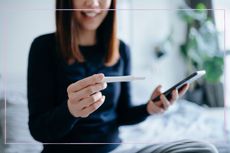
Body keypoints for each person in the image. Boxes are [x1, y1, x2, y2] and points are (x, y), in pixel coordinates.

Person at [27, 0, 218, 153]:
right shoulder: (43, 48)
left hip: (115, 149)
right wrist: (70, 111)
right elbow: (38, 130)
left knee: (203, 149)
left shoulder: (121, 49)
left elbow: (121, 114)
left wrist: (148, 108)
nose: (93, 3)